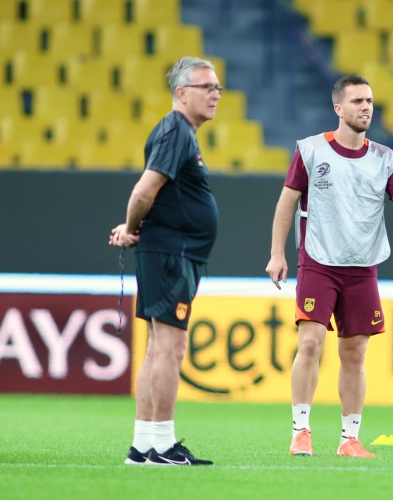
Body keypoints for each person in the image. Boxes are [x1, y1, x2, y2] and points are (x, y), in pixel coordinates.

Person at [265, 75, 393, 458]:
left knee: (355, 353)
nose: (366, 107)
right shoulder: (311, 150)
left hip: (362, 266)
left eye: (370, 101)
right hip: (318, 261)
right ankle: (300, 431)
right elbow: (286, 202)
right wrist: (277, 253)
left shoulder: (384, 157)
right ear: (338, 108)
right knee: (310, 343)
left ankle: (349, 439)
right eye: (358, 101)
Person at [108, 56, 222, 466]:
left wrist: (133, 226)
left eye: (218, 88)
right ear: (182, 93)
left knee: (158, 347)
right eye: (207, 87)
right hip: (173, 253)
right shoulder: (176, 130)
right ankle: (162, 445)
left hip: (169, 252)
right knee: (170, 348)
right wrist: (130, 227)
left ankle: (142, 446)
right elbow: (144, 191)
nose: (215, 94)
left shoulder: (177, 131)